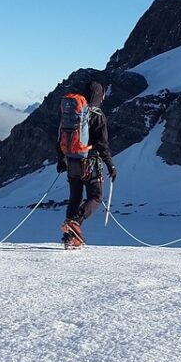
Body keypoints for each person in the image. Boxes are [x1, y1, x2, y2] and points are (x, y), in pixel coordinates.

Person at [56, 81, 116, 249]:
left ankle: (70, 237)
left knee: (75, 197)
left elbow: (60, 135)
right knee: (95, 197)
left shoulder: (71, 112)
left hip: (72, 161)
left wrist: (62, 159)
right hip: (90, 164)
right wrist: (110, 165)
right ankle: (76, 223)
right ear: (99, 95)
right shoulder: (97, 114)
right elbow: (102, 144)